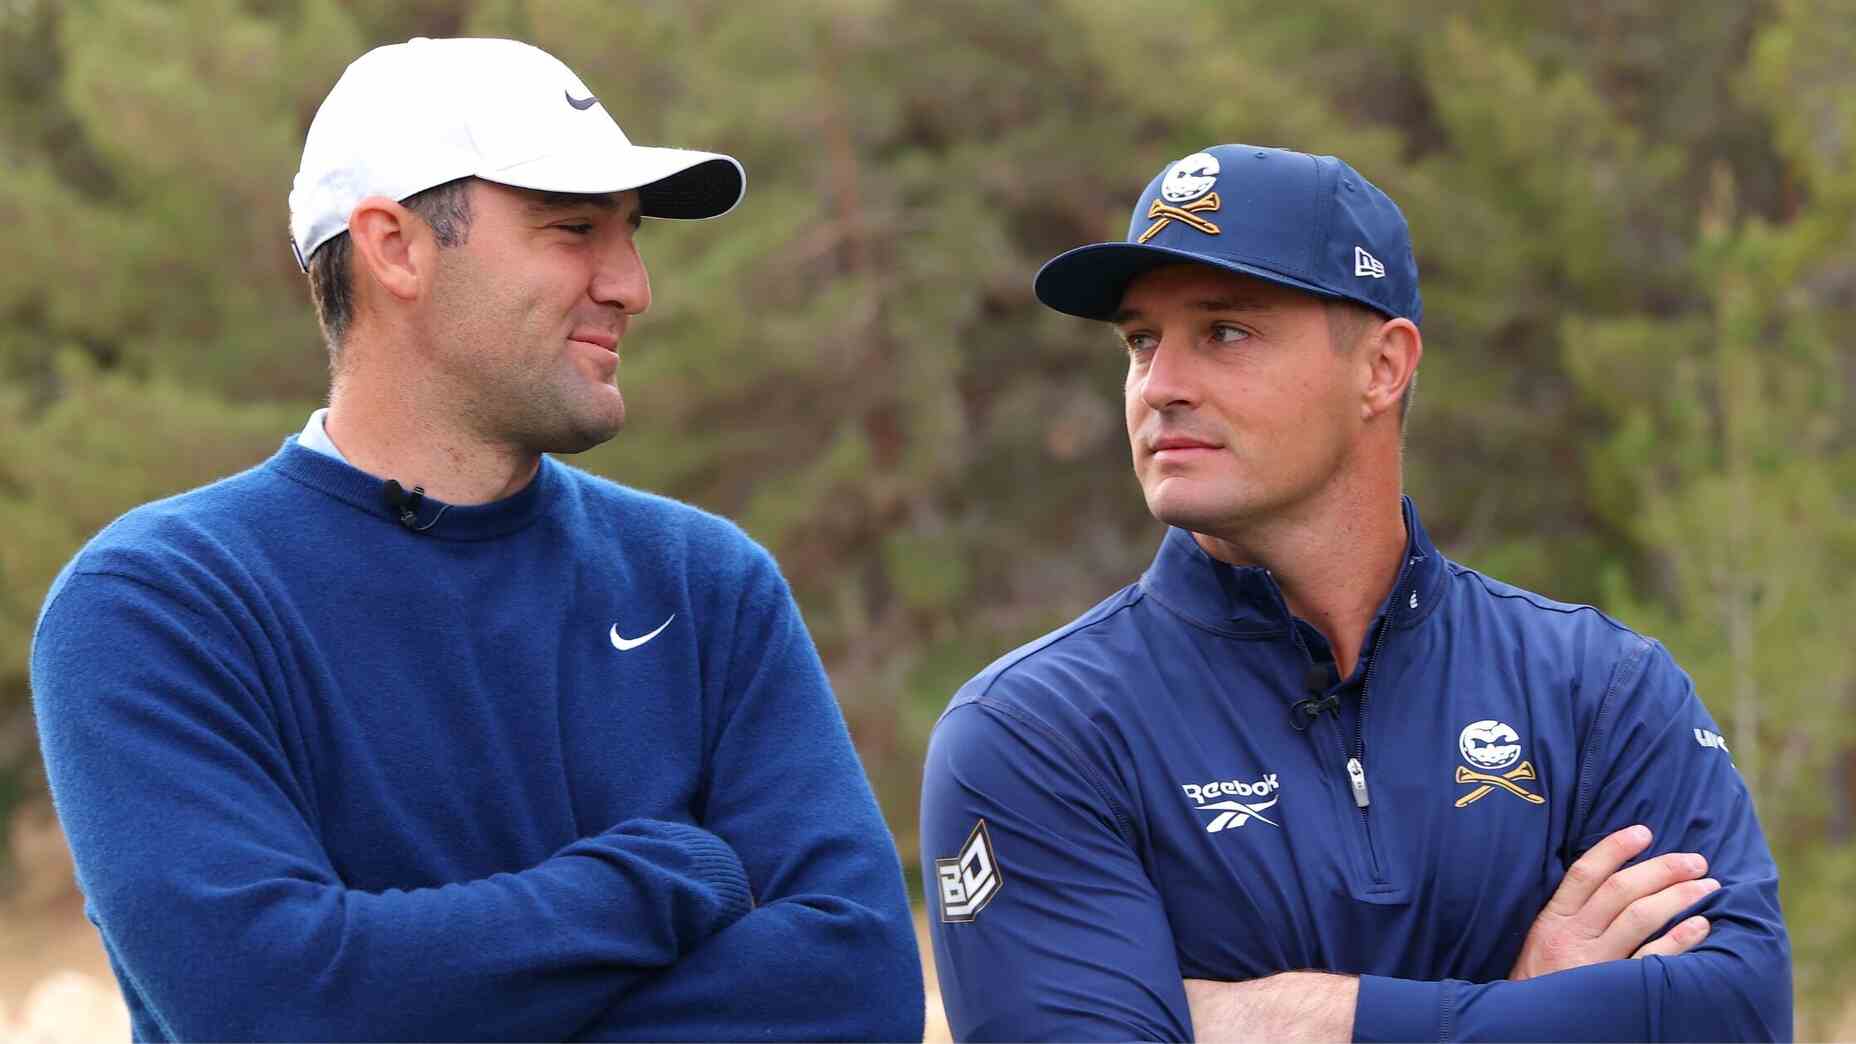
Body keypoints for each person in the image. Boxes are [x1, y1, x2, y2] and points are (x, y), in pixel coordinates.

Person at [31, 37, 922, 1042]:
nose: (631, 284)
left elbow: (858, 987)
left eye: (629, 236)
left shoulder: (704, 583)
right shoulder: (160, 602)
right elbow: (277, 1004)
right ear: (396, 247)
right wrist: (662, 879)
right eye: (571, 229)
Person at [918, 143, 1790, 1041]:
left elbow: (1742, 1012)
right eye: (1143, 341)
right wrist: (1526, 1009)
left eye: (1224, 332)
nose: (1161, 387)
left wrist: (1296, 1018)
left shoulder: (1599, 690)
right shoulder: (1036, 732)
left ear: (1382, 367)